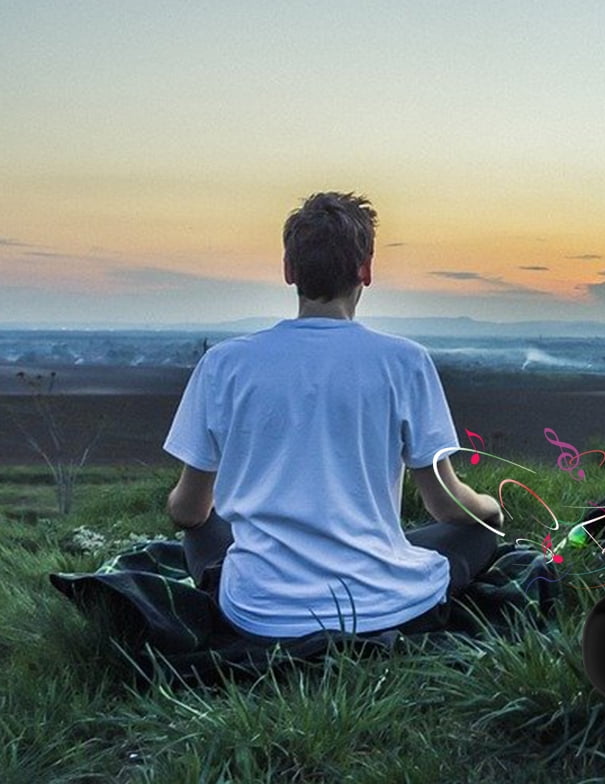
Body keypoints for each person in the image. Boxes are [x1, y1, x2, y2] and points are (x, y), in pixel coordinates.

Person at [163, 191, 503, 639]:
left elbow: (187, 512)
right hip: (384, 606)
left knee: (204, 526)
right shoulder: (405, 362)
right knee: (480, 530)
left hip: (259, 614)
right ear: (366, 269)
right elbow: (444, 505)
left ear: (289, 271)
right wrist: (490, 509)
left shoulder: (224, 364)